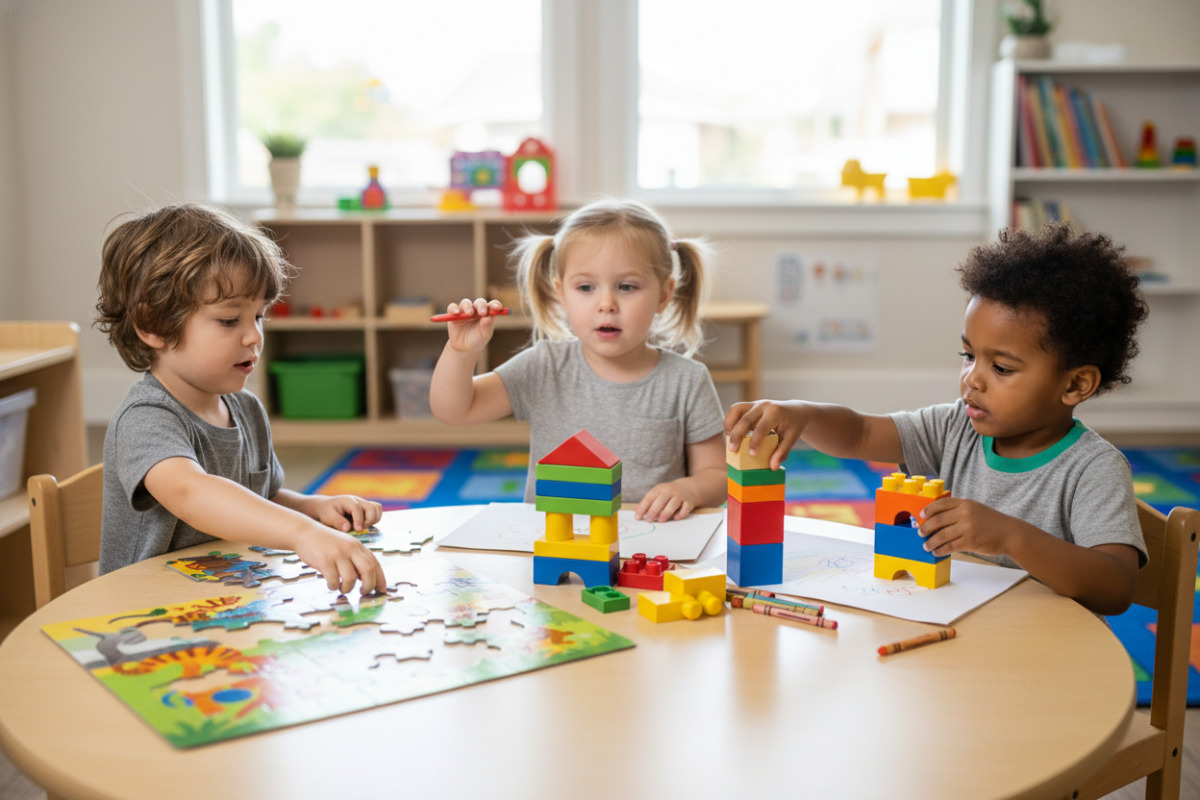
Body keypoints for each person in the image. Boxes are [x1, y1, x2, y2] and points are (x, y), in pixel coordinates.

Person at [724, 223, 1149, 616]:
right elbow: (862, 433)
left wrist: (1010, 537)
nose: (972, 379)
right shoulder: (954, 429)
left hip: (1047, 659)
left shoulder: (1094, 469)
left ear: (1075, 385)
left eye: (1000, 368)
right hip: (962, 636)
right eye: (968, 355)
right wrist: (804, 413)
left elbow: (1114, 587)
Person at [95, 202, 387, 594]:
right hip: (145, 615)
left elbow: (261, 498)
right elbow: (192, 492)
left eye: (260, 316)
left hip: (229, 602)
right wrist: (302, 534)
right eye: (230, 320)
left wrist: (312, 508)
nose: (254, 336)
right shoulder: (146, 417)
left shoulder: (246, 409)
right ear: (153, 326)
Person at [430, 198, 726, 522]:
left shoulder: (687, 380)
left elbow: (716, 473)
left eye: (627, 287)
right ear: (561, 293)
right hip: (556, 546)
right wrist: (461, 352)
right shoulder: (543, 367)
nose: (606, 303)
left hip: (651, 549)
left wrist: (690, 490)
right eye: (585, 287)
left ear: (664, 295)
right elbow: (455, 410)